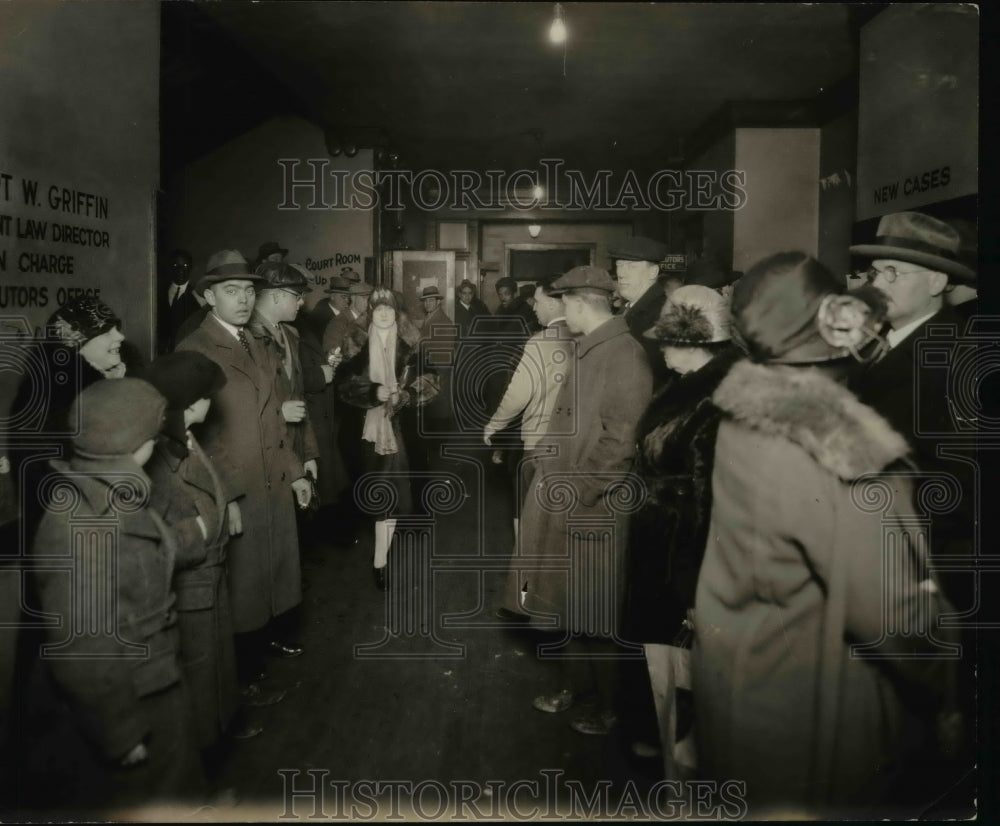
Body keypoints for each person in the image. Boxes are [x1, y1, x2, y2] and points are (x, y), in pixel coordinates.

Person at [693, 251, 958, 816]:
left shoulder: (747, 415)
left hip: (747, 684)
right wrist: (952, 689)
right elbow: (895, 614)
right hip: (814, 714)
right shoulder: (833, 449)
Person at [31, 378, 204, 810]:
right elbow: (81, 646)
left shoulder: (103, 487)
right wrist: (121, 734)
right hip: (132, 698)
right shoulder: (78, 524)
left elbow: (140, 549)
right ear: (136, 441)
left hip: (152, 680)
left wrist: (194, 534)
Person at [521, 266, 653, 736]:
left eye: (563, 303)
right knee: (572, 603)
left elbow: (621, 443)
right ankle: (576, 686)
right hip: (571, 497)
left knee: (598, 610)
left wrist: (577, 492)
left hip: (594, 506)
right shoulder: (594, 348)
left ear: (579, 303)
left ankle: (609, 705)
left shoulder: (624, 356)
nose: (559, 311)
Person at [176, 249, 312, 698]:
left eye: (249, 291)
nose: (242, 300)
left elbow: (275, 414)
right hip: (236, 479)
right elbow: (201, 436)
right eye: (230, 291)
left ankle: (264, 641)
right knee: (240, 581)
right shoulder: (196, 348)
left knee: (269, 569)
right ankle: (241, 671)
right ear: (207, 297)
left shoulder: (256, 341)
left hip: (270, 472)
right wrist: (227, 495)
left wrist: (295, 471)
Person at [622, 284, 740, 775]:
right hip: (659, 536)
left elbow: (715, 500)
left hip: (683, 551)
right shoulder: (685, 385)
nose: (661, 349)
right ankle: (657, 732)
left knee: (681, 654)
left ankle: (677, 751)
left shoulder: (718, 400)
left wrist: (698, 583)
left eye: (667, 342)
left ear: (694, 343)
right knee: (658, 651)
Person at [143, 351, 260, 758]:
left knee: (214, 670)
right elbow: (156, 540)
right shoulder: (160, 458)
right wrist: (207, 527)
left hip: (208, 579)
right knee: (197, 674)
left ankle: (219, 737)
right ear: (191, 402)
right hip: (190, 587)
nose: (213, 403)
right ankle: (201, 761)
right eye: (208, 396)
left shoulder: (188, 439)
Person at [336, 289, 439, 590]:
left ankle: (380, 560)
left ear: (398, 313)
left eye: (389, 310)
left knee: (393, 494)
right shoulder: (356, 342)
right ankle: (380, 558)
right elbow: (342, 385)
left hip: (402, 431)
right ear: (370, 312)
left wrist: (407, 394)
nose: (383, 314)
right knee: (377, 494)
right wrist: (372, 392)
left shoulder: (412, 342)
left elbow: (432, 378)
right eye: (378, 309)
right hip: (365, 433)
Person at [484, 273, 574, 548]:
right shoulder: (585, 338)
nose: (533, 307)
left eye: (537, 301)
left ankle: (524, 586)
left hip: (538, 443)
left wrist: (494, 425)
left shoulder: (539, 342)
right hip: (575, 445)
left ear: (554, 303)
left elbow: (517, 395)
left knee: (527, 519)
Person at [608, 235, 672, 387]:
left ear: (653, 272)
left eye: (631, 266)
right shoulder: (628, 308)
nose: (621, 273)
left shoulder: (660, 313)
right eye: (619, 265)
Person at [159, 249, 201, 353]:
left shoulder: (198, 297)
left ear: (191, 268)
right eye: (175, 266)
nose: (180, 270)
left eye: (185, 266)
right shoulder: (158, 294)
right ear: (169, 268)